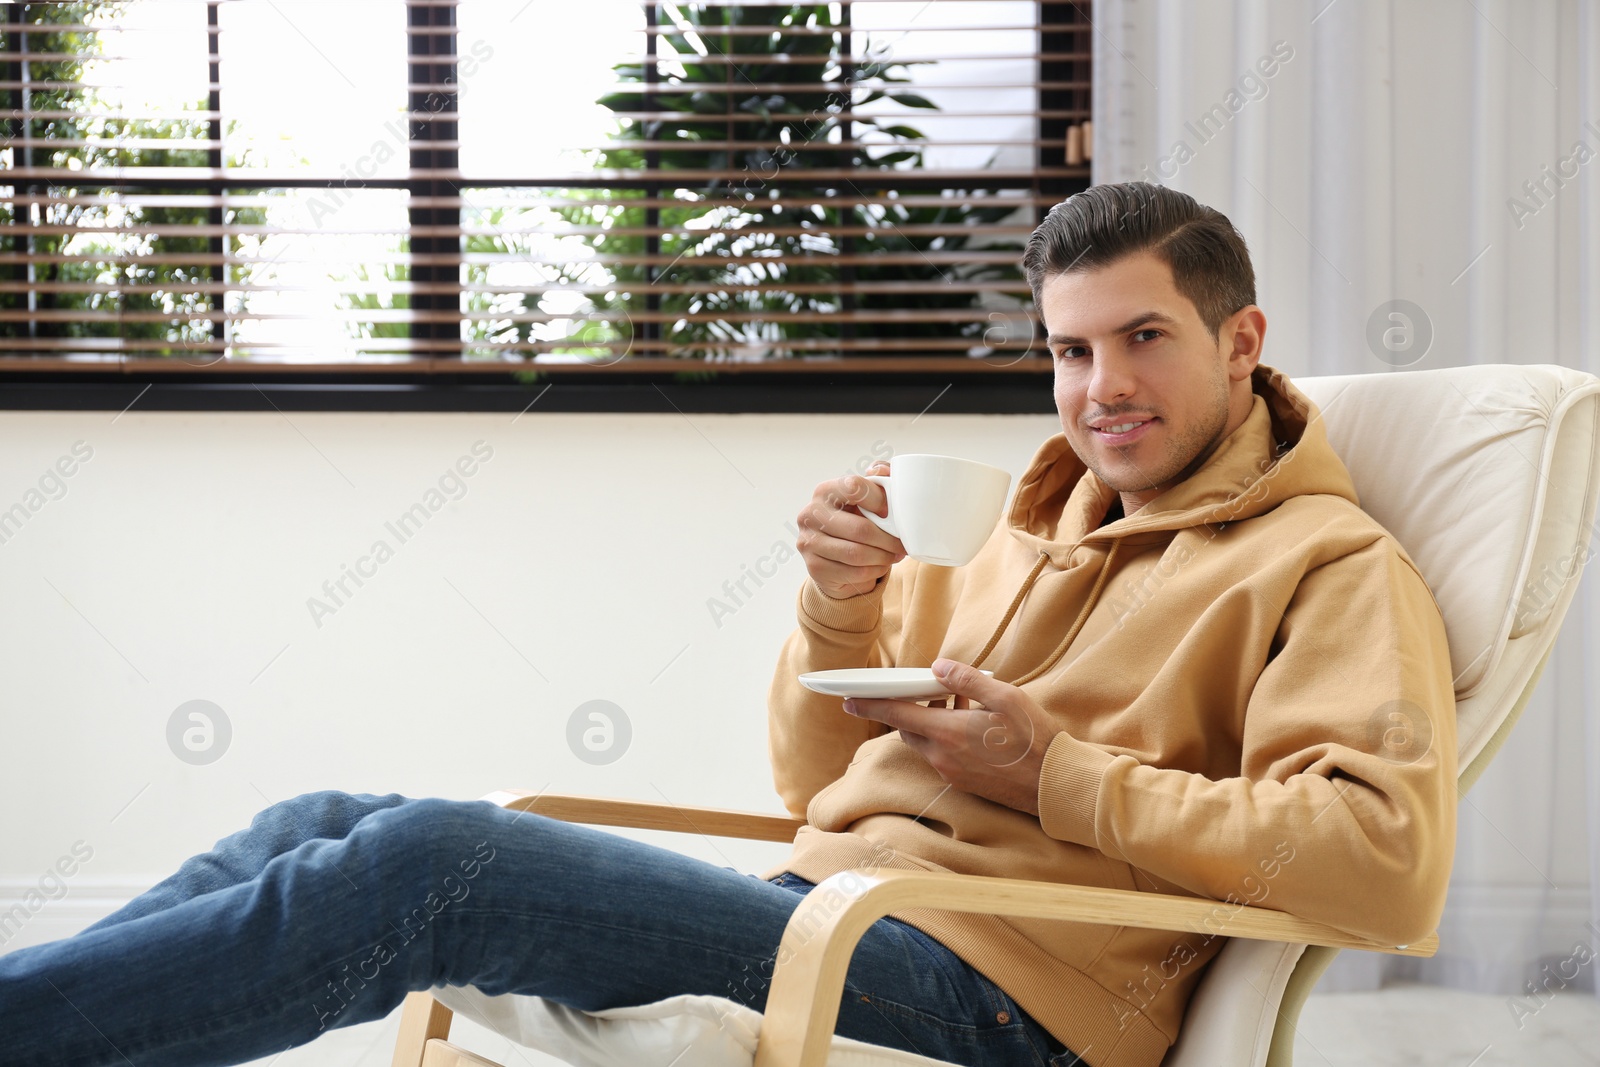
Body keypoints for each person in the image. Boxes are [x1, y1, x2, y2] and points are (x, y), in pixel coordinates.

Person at [0, 182, 1457, 1067]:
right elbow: (816, 787)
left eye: (1144, 338)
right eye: (1071, 350)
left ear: (1241, 341)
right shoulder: (1021, 520)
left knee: (431, 868)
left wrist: (1051, 777)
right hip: (826, 909)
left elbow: (1382, 869)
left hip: (1013, 1003)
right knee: (320, 815)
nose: (1100, 389)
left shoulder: (1328, 565)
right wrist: (838, 606)